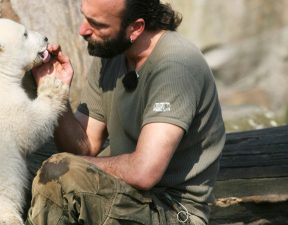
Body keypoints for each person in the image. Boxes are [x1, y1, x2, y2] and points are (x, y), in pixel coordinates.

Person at [26, 0, 225, 224]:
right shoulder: (112, 55)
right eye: (84, 17)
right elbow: (82, 146)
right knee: (35, 164)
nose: (83, 30)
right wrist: (55, 91)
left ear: (136, 28)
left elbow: (144, 172)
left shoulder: (176, 67)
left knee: (60, 171)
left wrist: (70, 164)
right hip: (122, 195)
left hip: (172, 211)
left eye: (97, 24)